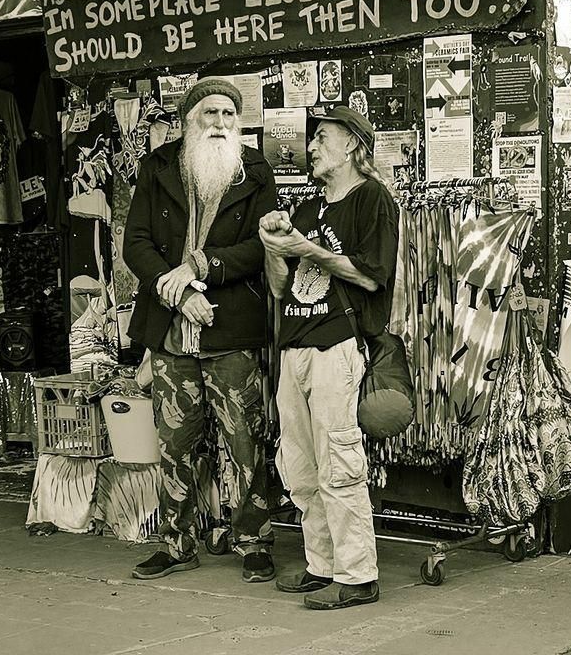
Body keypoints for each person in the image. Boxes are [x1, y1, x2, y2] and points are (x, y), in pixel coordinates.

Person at [124, 77, 277, 584]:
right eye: (209, 114)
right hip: (171, 330)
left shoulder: (255, 170)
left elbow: (260, 248)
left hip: (231, 328)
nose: (219, 123)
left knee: (245, 441)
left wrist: (201, 268)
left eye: (228, 115)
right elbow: (137, 243)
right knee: (173, 443)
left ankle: (252, 538)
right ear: (190, 120)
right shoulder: (160, 166)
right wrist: (181, 294)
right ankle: (176, 541)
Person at [259, 105, 398, 610]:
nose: (311, 146)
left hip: (336, 347)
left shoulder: (373, 200)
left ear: (353, 147)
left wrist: (306, 248)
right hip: (294, 348)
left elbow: (370, 276)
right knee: (299, 465)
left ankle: (359, 574)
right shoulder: (309, 207)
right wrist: (273, 244)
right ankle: (323, 565)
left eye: (321, 137)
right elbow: (279, 286)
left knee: (339, 461)